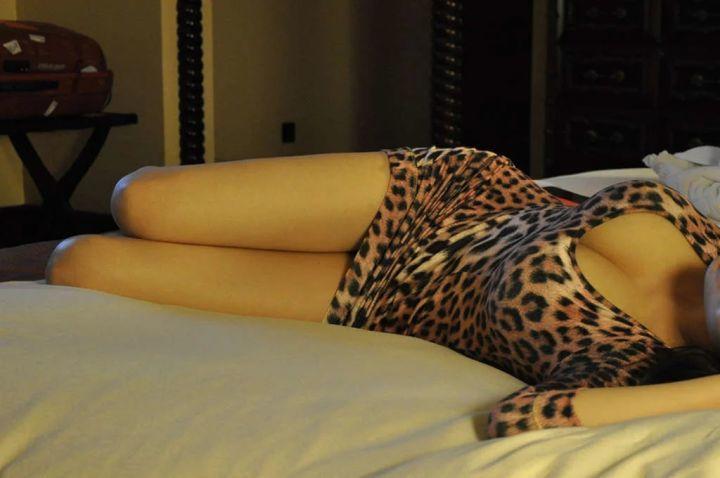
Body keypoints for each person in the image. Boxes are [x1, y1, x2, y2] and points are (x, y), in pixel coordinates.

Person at [47, 146, 720, 438]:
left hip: (376, 300)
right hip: (440, 196)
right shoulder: (707, 235)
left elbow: (524, 420)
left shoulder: (632, 366)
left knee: (80, 265)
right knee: (140, 201)